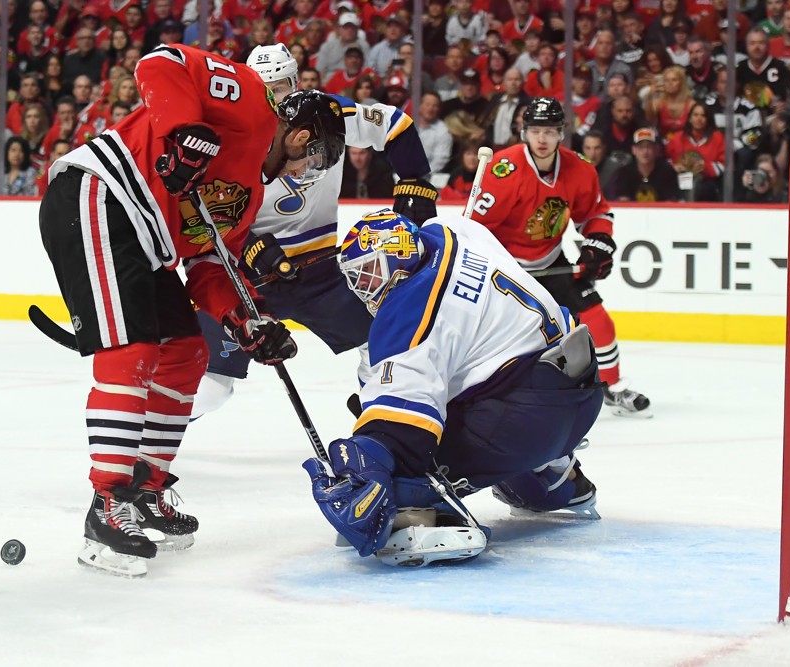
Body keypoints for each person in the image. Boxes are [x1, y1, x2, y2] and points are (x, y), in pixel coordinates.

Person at [38, 44, 346, 578]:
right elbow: (161, 62)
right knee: (132, 350)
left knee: (186, 352)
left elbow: (208, 263)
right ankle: (108, 502)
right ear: (300, 136)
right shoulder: (252, 100)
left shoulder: (249, 194)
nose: (311, 167)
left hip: (146, 235)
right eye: (315, 155)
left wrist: (245, 323)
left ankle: (146, 489)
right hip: (100, 194)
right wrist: (185, 129)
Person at [303, 209, 603, 566]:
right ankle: (555, 479)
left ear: (397, 260)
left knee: (396, 467)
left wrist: (364, 463)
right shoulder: (453, 231)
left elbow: (403, 430)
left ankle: (430, 516)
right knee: (479, 376)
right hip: (578, 386)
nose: (362, 288)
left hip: (524, 423)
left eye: (368, 273)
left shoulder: (410, 313)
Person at [190, 43, 434, 422]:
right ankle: (150, 439)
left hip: (321, 272)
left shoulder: (323, 114)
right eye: (264, 86)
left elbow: (394, 125)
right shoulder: (230, 129)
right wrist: (249, 244)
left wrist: (415, 180)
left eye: (283, 85)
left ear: (296, 79)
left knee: (384, 340)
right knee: (212, 384)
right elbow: (201, 207)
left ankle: (385, 421)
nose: (275, 97)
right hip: (247, 278)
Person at [472, 97, 652, 417]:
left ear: (561, 133)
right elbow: (475, 229)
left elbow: (594, 213)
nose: (542, 139)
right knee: (514, 341)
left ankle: (611, 386)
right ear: (524, 132)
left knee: (598, 321)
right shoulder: (504, 171)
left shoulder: (579, 168)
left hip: (550, 261)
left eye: (550, 131)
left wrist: (597, 242)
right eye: (536, 131)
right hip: (504, 268)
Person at [612, 127, 682, 202]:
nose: (645, 151)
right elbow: (623, 202)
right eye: (641, 147)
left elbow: (670, 202)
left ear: (656, 149)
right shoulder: (624, 173)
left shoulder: (667, 172)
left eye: (649, 147)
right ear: (634, 150)